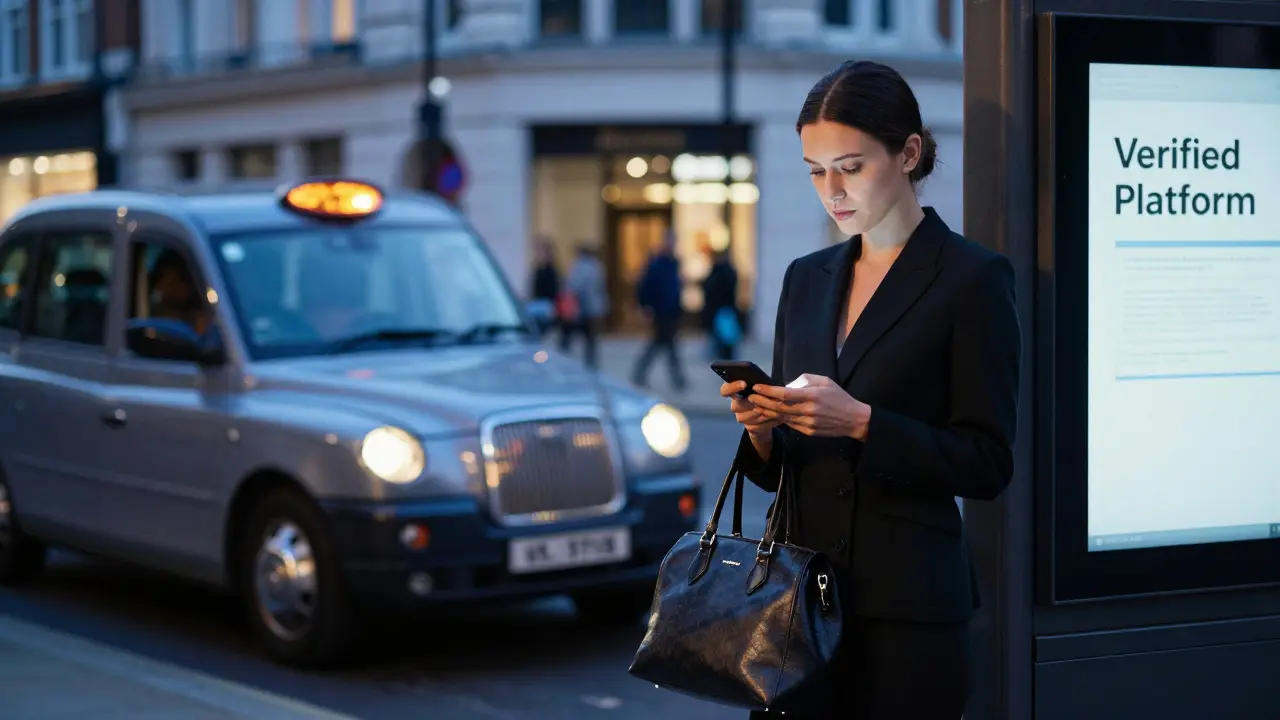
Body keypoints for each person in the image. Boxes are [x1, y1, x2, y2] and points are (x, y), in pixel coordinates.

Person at [720, 60, 1021, 719]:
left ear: (908, 153)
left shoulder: (972, 279)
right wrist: (763, 427)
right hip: (796, 601)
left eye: (851, 167)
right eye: (815, 170)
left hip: (910, 614)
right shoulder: (806, 278)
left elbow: (987, 461)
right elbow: (784, 472)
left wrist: (861, 422)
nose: (832, 190)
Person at [631, 230, 687, 390]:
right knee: (665, 345)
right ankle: (677, 379)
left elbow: (675, 288)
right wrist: (646, 306)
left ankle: (675, 379)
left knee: (664, 344)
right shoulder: (657, 263)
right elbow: (646, 286)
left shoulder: (674, 263)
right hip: (660, 310)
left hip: (671, 310)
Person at [560, 244, 608, 368]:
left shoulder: (579, 267)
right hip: (594, 309)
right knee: (591, 341)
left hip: (581, 309)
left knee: (568, 339)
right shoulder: (597, 267)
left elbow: (573, 288)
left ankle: (565, 362)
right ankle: (592, 365)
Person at [700, 250, 740, 360]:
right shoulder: (728, 271)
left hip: (720, 311)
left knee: (723, 339)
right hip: (723, 310)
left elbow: (709, 289)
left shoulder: (720, 272)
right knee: (725, 339)